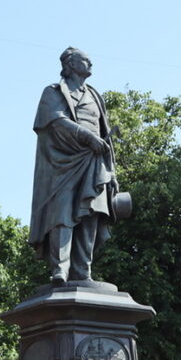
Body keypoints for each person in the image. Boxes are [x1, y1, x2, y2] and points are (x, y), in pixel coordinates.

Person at [29, 47, 119, 286]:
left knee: (91, 214)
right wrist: (87, 137)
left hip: (95, 160)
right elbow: (56, 121)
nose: (91, 63)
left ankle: (82, 271)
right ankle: (60, 269)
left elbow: (102, 131)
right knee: (62, 214)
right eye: (85, 59)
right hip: (63, 161)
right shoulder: (53, 92)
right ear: (70, 63)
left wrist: (111, 172)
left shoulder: (94, 95)